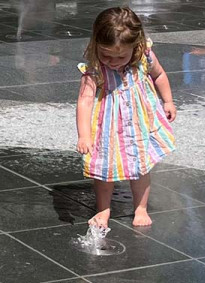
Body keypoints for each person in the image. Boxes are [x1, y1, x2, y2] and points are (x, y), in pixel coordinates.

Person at [76, 7, 177, 228]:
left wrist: (167, 100)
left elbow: (159, 74)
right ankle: (103, 209)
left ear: (136, 45)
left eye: (120, 56)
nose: (112, 61)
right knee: (104, 171)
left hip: (140, 124)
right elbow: (84, 100)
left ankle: (141, 208)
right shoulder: (95, 68)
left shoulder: (144, 56)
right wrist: (84, 135)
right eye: (106, 55)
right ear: (96, 45)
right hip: (108, 127)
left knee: (140, 167)